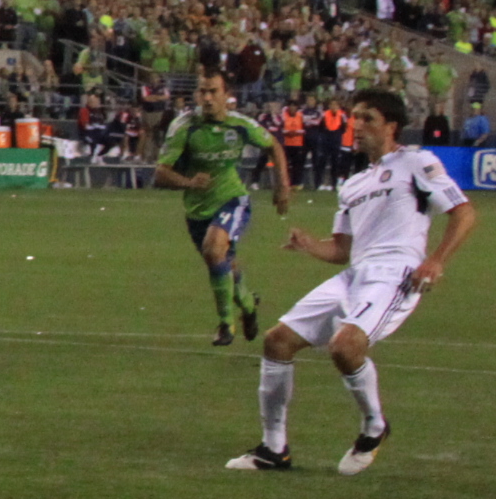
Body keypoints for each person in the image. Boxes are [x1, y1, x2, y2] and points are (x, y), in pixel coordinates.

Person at [232, 89, 476, 476]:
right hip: (356, 273)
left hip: (397, 273)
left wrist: (435, 260)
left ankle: (374, 427)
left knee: (345, 346)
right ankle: (273, 449)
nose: (356, 126)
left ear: (391, 126)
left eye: (367, 119)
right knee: (277, 340)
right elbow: (342, 250)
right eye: (354, 118)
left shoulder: (417, 161)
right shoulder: (354, 184)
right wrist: (310, 244)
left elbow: (462, 212)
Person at [155, 70, 293, 347]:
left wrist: (282, 187)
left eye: (213, 92)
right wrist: (190, 182)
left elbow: (273, 145)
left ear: (226, 95)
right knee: (222, 262)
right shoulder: (184, 127)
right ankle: (248, 305)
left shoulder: (239, 124)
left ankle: (226, 324)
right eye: (202, 92)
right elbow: (160, 174)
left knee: (214, 248)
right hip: (197, 209)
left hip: (233, 199)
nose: (206, 98)